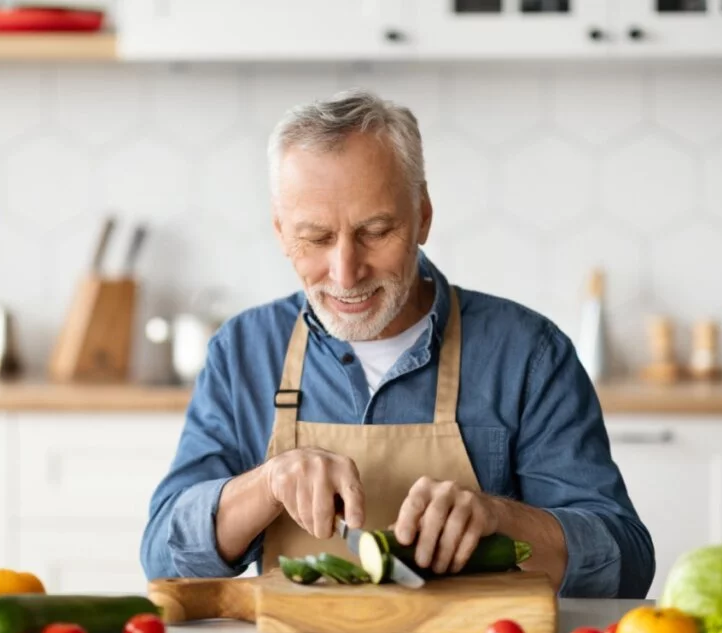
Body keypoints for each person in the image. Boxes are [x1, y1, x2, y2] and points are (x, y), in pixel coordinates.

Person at [139, 88, 654, 599]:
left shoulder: (528, 354)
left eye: (376, 231)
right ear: (280, 231)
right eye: (316, 239)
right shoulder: (243, 351)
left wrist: (500, 517)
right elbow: (162, 555)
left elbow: (626, 563)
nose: (346, 273)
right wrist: (267, 484)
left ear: (423, 215)